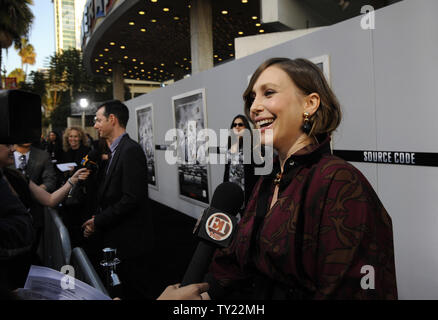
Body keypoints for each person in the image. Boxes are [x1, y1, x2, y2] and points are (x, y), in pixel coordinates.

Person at [205, 57, 398, 300]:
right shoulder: (270, 177)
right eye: (252, 97)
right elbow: (239, 262)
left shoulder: (340, 181)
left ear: (310, 103)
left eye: (269, 93)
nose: (254, 107)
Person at [82, 100, 154, 300]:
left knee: (134, 292)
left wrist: (98, 221)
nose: (95, 125)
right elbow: (110, 195)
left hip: (131, 245)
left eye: (98, 120)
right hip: (117, 240)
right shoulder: (114, 151)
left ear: (112, 119)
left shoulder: (130, 150)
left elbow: (131, 199)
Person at [0, 143, 89, 290]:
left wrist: (72, 181)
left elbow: (50, 199)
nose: (13, 149)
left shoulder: (17, 177)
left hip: (23, 258)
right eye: (7, 145)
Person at [223, 115, 258, 208]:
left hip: (247, 192)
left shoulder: (253, 146)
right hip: (232, 191)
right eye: (234, 125)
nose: (237, 127)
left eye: (240, 124)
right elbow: (227, 171)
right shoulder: (230, 147)